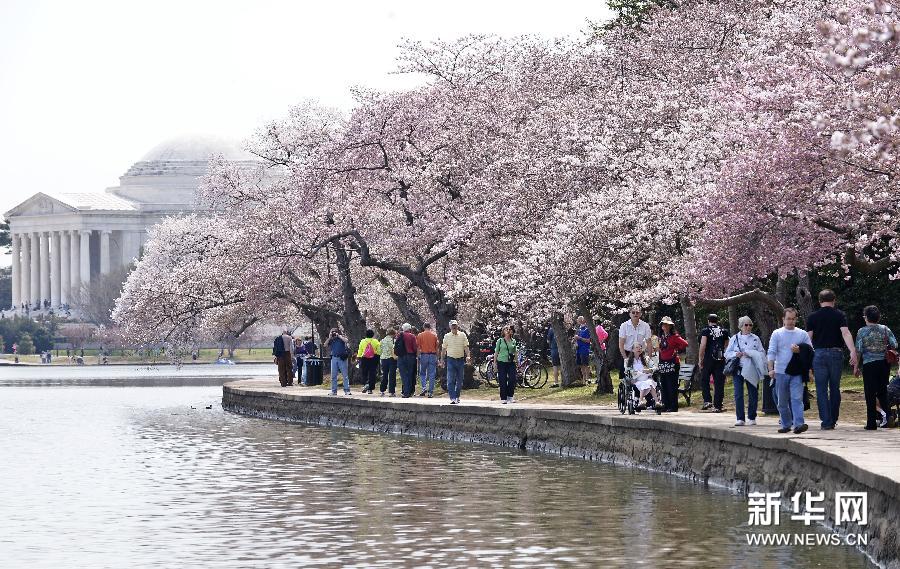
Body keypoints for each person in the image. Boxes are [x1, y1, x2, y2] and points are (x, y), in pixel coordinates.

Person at [806, 289, 858, 430]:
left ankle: (826, 422)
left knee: (821, 389)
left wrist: (807, 358)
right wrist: (853, 351)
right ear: (834, 300)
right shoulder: (839, 315)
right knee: (834, 388)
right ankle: (833, 419)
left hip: (819, 354)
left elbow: (808, 339)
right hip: (836, 353)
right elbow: (845, 333)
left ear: (820, 301)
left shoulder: (812, 317)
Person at [767, 308, 813, 434]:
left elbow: (810, 351)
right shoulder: (777, 333)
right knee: (781, 402)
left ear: (796, 319)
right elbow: (771, 351)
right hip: (780, 372)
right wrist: (771, 369)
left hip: (796, 372)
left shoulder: (802, 334)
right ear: (783, 319)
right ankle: (786, 423)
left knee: (796, 398)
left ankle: (799, 424)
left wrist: (800, 351)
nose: (791, 321)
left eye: (793, 319)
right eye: (788, 318)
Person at [854, 305, 898, 430]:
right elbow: (894, 344)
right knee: (882, 391)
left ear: (866, 317)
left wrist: (856, 367)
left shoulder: (862, 331)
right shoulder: (885, 329)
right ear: (878, 317)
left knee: (870, 393)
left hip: (869, 365)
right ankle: (888, 415)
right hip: (884, 364)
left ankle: (871, 423)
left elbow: (858, 351)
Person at [725, 316, 767, 426]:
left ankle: (752, 416)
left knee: (753, 393)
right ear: (741, 326)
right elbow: (727, 353)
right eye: (746, 325)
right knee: (738, 393)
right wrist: (735, 354)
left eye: (750, 325)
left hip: (752, 368)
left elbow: (762, 352)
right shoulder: (734, 338)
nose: (748, 327)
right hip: (738, 368)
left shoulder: (755, 338)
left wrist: (752, 353)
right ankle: (740, 418)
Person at [657, 316, 688, 412]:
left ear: (670, 326)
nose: (665, 326)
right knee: (664, 385)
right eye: (663, 324)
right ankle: (665, 405)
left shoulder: (674, 336)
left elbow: (685, 344)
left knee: (672, 385)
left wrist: (676, 349)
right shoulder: (661, 337)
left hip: (672, 363)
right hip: (663, 363)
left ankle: (673, 406)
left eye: (667, 325)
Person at [698, 314, 728, 412]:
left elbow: (703, 345)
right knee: (719, 381)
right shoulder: (724, 331)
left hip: (708, 358)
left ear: (708, 321)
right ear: (717, 320)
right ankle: (718, 405)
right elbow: (726, 345)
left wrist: (700, 359)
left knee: (705, 379)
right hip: (720, 358)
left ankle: (707, 400)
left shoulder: (706, 330)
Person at [440, 319, 471, 404]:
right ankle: (452, 397)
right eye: (452, 325)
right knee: (450, 380)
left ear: (457, 326)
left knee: (460, 380)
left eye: (455, 325)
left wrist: (468, 356)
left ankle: (457, 396)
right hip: (450, 360)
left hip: (460, 360)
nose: (454, 327)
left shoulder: (462, 335)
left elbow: (466, 347)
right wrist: (442, 359)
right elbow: (443, 349)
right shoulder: (447, 336)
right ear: (450, 327)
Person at [618, 307, 652, 378]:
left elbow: (649, 343)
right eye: (633, 312)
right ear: (629, 314)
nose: (635, 314)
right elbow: (621, 344)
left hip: (640, 354)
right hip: (627, 352)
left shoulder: (645, 326)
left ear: (640, 314)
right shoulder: (624, 326)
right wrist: (625, 358)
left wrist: (649, 357)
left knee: (644, 374)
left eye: (637, 312)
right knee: (625, 375)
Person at [627, 343, 662, 409]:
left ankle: (657, 402)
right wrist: (634, 374)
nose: (639, 349)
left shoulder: (647, 359)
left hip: (646, 378)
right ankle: (641, 401)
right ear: (633, 350)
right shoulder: (629, 361)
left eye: (640, 348)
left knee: (650, 382)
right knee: (646, 383)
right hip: (637, 380)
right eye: (637, 347)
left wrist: (650, 370)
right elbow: (627, 371)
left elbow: (655, 367)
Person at [494, 325, 518, 404]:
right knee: (502, 380)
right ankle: (503, 397)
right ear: (503, 332)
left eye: (509, 329)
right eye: (506, 329)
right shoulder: (500, 341)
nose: (508, 331)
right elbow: (496, 352)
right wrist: (495, 363)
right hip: (501, 362)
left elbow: (515, 352)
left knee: (512, 379)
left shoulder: (513, 341)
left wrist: (517, 361)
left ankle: (510, 396)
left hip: (511, 362)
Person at [325, 328, 351, 396]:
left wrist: (339, 336)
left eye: (335, 332)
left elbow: (346, 341)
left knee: (345, 375)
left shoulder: (341, 338)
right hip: (334, 358)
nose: (334, 334)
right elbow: (325, 344)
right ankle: (334, 391)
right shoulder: (331, 340)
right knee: (333, 376)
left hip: (342, 358)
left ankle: (347, 390)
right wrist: (329, 337)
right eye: (332, 332)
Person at [395, 323, 419, 398]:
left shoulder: (399, 335)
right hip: (410, 356)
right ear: (409, 329)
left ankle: (405, 392)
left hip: (401, 357)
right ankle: (408, 392)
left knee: (403, 375)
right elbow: (415, 347)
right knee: (410, 374)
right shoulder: (412, 336)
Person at [417, 323, 439, 398]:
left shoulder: (420, 335)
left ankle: (424, 388)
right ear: (430, 327)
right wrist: (437, 357)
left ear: (424, 327)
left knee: (422, 373)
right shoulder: (434, 335)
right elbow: (437, 347)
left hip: (424, 355)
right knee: (432, 374)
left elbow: (418, 347)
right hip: (432, 355)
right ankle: (431, 392)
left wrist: (418, 356)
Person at [357, 329, 381, 394]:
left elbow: (360, 351)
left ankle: (365, 384)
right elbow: (379, 351)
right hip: (374, 358)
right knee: (372, 373)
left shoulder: (362, 341)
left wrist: (359, 357)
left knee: (364, 372)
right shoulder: (376, 341)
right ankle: (370, 389)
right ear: (373, 335)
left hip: (364, 358)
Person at [379, 329, 398, 397]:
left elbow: (379, 350)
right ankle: (391, 392)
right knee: (392, 375)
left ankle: (382, 390)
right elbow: (393, 349)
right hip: (391, 359)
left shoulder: (382, 340)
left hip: (383, 359)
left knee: (384, 375)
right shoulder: (393, 341)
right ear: (393, 334)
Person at [574, 316, 592, 384]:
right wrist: (575, 340)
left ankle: (588, 378)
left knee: (585, 364)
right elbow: (576, 338)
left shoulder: (587, 329)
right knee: (581, 365)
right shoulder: (578, 329)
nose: (578, 321)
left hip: (585, 349)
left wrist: (579, 338)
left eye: (579, 319)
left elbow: (588, 340)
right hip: (578, 349)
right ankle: (584, 379)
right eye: (578, 320)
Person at [546, 324, 561, 388]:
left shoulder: (551, 330)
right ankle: (564, 381)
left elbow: (548, 340)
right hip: (561, 350)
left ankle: (556, 382)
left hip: (554, 349)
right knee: (562, 366)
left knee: (555, 366)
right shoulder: (561, 329)